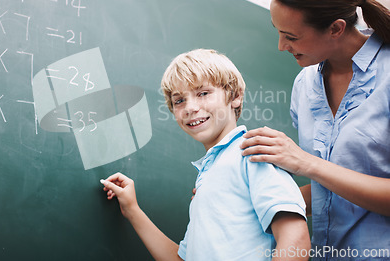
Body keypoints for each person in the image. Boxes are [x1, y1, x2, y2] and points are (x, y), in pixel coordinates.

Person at [241, 0, 390, 260]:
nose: (281, 45)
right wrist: (247, 200)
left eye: (292, 36)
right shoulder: (305, 85)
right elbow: (330, 195)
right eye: (279, 32)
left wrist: (307, 163)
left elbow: (317, 170)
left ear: (335, 28)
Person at [101, 49, 310, 260]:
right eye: (179, 100)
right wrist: (132, 210)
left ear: (235, 96)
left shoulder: (253, 153)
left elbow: (295, 239)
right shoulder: (208, 175)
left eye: (203, 93)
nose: (190, 107)